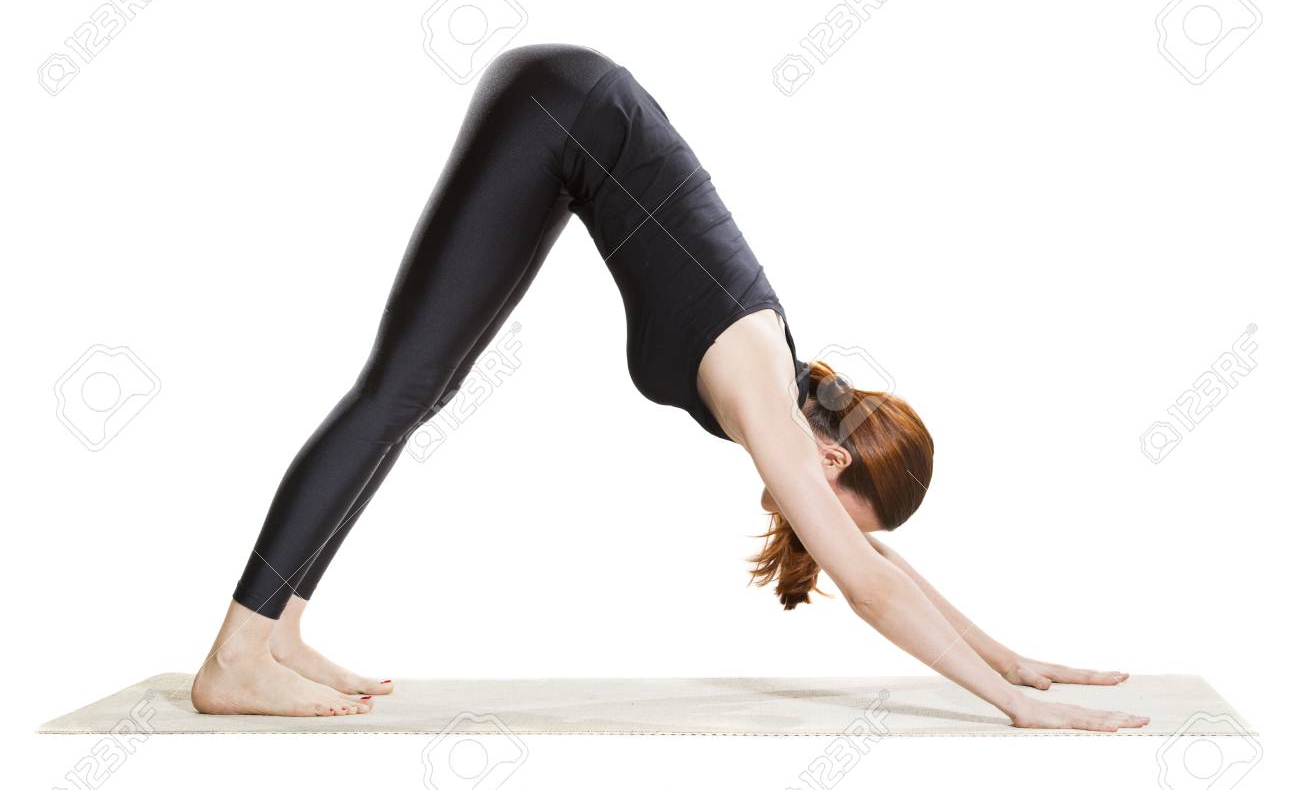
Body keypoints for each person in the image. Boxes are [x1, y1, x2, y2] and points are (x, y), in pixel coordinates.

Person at [190, 43, 1148, 731]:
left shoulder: (791, 386)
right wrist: (1015, 708)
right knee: (396, 389)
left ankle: (279, 632)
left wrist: (1009, 655)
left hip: (567, 120)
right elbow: (867, 585)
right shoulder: (770, 399)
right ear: (833, 458)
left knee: (414, 395)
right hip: (560, 107)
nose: (813, 520)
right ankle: (237, 654)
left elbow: (883, 567)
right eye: (833, 504)